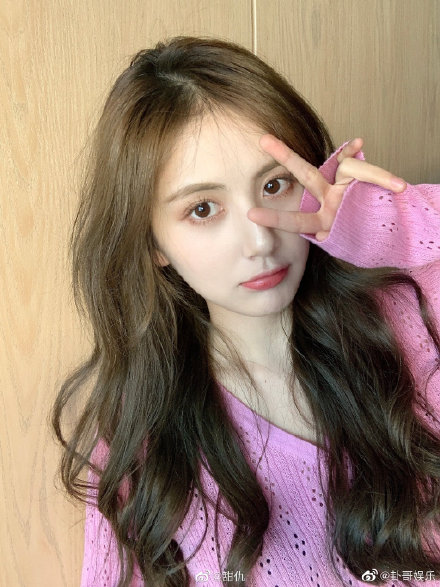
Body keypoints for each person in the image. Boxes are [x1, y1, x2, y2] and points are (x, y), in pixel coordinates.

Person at [51, 36, 440, 587]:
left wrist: (395, 229)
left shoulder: (409, 319)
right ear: (154, 243)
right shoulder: (143, 452)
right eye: (203, 209)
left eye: (275, 184)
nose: (260, 241)